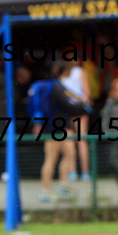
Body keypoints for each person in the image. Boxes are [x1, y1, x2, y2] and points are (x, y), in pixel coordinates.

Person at [39, 64, 90, 202]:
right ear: (64, 72)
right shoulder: (57, 87)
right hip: (56, 128)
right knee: (51, 158)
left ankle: (63, 184)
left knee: (70, 154)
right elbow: (69, 105)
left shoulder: (57, 86)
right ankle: (45, 190)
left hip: (61, 127)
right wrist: (83, 105)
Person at [60, 59, 92, 182]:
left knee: (69, 141)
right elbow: (87, 92)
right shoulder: (80, 72)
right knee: (82, 140)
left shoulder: (61, 75)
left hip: (66, 109)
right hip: (78, 108)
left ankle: (72, 172)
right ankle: (85, 172)